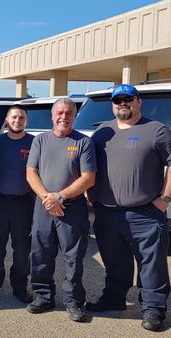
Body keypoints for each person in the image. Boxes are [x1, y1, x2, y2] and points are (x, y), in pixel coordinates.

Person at [87, 84, 171, 332]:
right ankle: (114, 298)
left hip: (145, 212)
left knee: (151, 264)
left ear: (138, 101)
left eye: (127, 99)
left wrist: (165, 199)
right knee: (114, 260)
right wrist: (90, 194)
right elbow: (90, 166)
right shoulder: (102, 131)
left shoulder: (156, 130)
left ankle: (154, 309)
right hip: (107, 211)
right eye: (117, 100)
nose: (122, 103)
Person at [25, 98, 96, 323]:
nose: (64, 117)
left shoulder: (84, 142)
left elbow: (88, 178)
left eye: (68, 113)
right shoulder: (40, 140)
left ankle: (73, 301)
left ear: (74, 116)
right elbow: (31, 172)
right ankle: (43, 296)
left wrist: (60, 196)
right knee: (41, 253)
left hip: (72, 207)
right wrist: (48, 198)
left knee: (73, 257)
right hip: (43, 206)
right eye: (60, 113)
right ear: (52, 116)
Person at [0, 104, 34, 304]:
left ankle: (19, 286)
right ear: (7, 119)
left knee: (22, 249)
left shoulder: (34, 143)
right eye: (13, 117)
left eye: (21, 118)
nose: (17, 121)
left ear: (26, 120)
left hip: (24, 203)